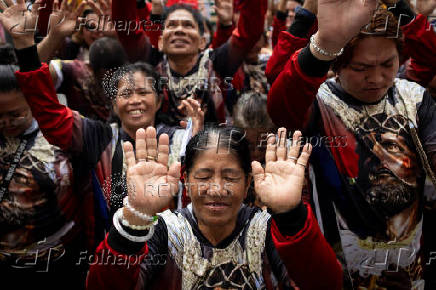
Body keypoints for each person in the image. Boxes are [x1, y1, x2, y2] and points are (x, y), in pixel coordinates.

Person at [0, 0, 205, 241]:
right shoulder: (97, 136)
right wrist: (25, 46)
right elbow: (49, 114)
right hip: (110, 251)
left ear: (159, 102)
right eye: (125, 94)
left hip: (171, 253)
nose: (135, 100)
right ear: (113, 103)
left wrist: (196, 144)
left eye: (143, 92)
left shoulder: (180, 139)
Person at [267, 0, 436, 288]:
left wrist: (403, 9)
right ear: (337, 64)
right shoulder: (317, 102)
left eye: (387, 64)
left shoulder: (415, 98)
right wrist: (324, 42)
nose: (377, 78)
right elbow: (281, 105)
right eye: (361, 68)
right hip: (335, 275)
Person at [86, 126, 342, 289]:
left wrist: (290, 215)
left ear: (247, 183)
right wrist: (137, 215)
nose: (217, 189)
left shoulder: (267, 229)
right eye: (204, 176)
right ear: (185, 180)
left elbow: (327, 284)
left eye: (230, 177)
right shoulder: (164, 231)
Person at [0, 65, 89, 289]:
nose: (6, 122)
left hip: (59, 259)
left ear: (32, 102)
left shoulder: (62, 133)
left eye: (15, 114)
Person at [112, 0, 268, 123]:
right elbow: (126, 29)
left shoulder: (217, 62)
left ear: (202, 42)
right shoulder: (152, 62)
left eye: (188, 25)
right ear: (160, 41)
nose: (179, 30)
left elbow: (250, 31)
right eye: (171, 25)